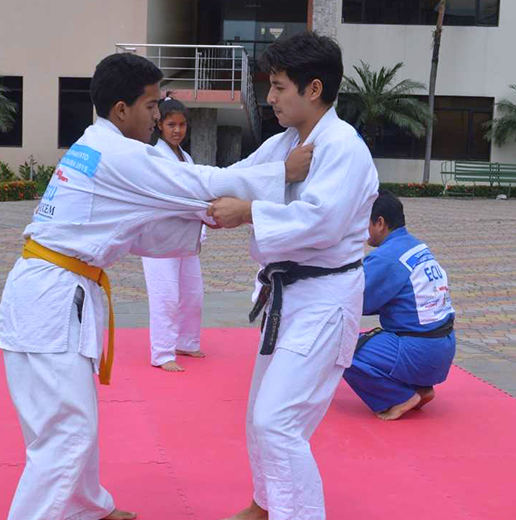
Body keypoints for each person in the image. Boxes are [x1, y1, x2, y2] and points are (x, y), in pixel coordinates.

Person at [0, 52, 314, 520]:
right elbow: (198, 182)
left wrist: (208, 225)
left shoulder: (93, 146)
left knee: (70, 421)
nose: (156, 118)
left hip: (51, 291)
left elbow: (134, 232)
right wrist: (279, 174)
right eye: (150, 107)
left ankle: (86, 508)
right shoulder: (119, 153)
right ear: (121, 110)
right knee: (65, 433)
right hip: (51, 296)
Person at [207, 32, 379, 520]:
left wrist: (249, 213)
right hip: (290, 295)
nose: (270, 97)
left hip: (326, 298)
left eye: (279, 86)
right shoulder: (288, 143)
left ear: (314, 88)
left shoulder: (343, 148)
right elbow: (238, 176)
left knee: (278, 421)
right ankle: (266, 504)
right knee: (258, 414)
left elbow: (319, 223)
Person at [343, 190, 456, 420]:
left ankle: (398, 396)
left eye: (365, 221)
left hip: (419, 352)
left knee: (341, 350)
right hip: (443, 349)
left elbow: (355, 300)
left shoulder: (386, 257)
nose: (362, 229)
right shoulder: (416, 246)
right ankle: (420, 388)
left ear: (380, 223)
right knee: (371, 339)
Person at [142, 95, 206, 372]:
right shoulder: (154, 156)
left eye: (181, 125)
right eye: (171, 125)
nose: (177, 130)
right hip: (159, 237)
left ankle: (187, 341)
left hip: (184, 235)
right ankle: (162, 352)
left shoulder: (186, 157)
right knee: (165, 295)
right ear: (160, 126)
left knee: (193, 293)